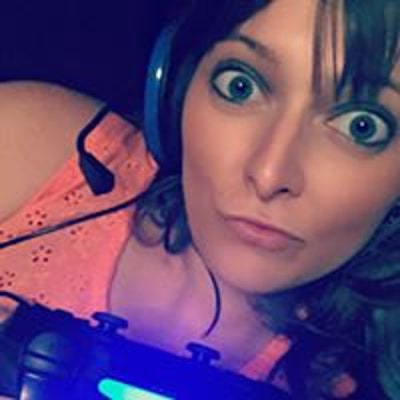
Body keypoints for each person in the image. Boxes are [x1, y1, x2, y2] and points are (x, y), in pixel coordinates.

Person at [0, 0, 399, 398]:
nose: (268, 175)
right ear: (176, 85)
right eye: (240, 86)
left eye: (361, 126)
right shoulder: (31, 144)